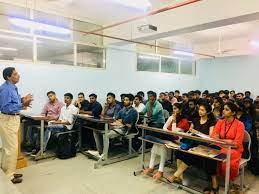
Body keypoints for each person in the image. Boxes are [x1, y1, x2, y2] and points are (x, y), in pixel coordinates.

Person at [167, 102, 216, 188]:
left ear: (207, 112)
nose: (200, 112)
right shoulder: (196, 120)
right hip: (193, 143)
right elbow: (190, 131)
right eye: (199, 109)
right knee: (179, 153)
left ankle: (174, 176)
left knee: (190, 156)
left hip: (204, 145)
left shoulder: (211, 122)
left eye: (202, 110)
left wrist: (198, 133)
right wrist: (190, 133)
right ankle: (179, 178)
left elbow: (210, 137)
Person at [0, 67, 33, 184]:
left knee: (7, 148)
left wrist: (23, 99)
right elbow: (5, 107)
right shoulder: (5, 89)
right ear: (8, 77)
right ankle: (9, 176)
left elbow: (15, 102)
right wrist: (22, 104)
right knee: (11, 148)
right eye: (15, 74)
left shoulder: (13, 88)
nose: (18, 75)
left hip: (12, 119)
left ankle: (7, 171)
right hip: (7, 119)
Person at [142, 103, 189, 180]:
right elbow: (164, 127)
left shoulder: (184, 121)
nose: (174, 110)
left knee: (151, 138)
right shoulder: (171, 117)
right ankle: (153, 167)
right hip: (167, 136)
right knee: (153, 140)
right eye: (173, 108)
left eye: (176, 109)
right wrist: (168, 129)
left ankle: (157, 169)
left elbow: (174, 133)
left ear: (180, 110)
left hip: (177, 139)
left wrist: (173, 121)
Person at [208, 102, 245, 194]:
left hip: (235, 149)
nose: (223, 111)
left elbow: (237, 143)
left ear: (233, 113)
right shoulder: (220, 121)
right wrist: (227, 141)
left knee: (226, 157)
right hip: (221, 146)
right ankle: (214, 181)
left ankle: (230, 183)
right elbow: (213, 136)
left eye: (227, 109)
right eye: (224, 109)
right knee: (211, 153)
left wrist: (222, 140)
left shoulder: (240, 124)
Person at [90, 94, 138, 158]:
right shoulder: (123, 109)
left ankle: (104, 155)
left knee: (106, 135)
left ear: (131, 102)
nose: (124, 101)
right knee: (96, 131)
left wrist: (122, 122)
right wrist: (119, 122)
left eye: (126, 100)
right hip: (116, 126)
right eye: (124, 100)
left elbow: (130, 126)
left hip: (124, 130)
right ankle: (100, 152)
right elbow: (115, 118)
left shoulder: (133, 111)